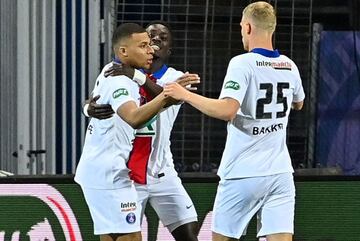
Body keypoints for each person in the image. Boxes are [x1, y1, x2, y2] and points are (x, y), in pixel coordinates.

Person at [163, 2, 305, 241]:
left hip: (243, 172)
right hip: (280, 173)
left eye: (241, 27)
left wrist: (185, 94)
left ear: (248, 27)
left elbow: (228, 110)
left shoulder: (242, 63)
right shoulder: (289, 65)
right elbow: (298, 103)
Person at [84, 21, 200, 241]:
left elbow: (165, 94)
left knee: (187, 232)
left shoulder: (174, 78)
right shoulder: (116, 74)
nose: (153, 45)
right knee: (126, 236)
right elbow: (121, 109)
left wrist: (138, 77)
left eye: (160, 40)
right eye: (148, 40)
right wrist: (87, 109)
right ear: (125, 50)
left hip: (160, 171)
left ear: (169, 50)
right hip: (125, 171)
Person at [75, 23, 170, 241]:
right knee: (131, 237)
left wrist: (87, 108)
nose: (151, 50)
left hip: (101, 169)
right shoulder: (121, 81)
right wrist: (167, 97)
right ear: (123, 51)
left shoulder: (110, 69)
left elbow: (95, 101)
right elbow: (134, 118)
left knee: (112, 236)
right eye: (144, 45)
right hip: (109, 174)